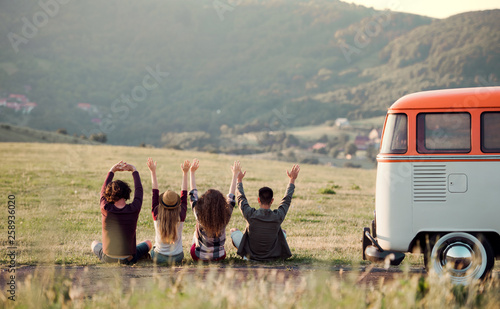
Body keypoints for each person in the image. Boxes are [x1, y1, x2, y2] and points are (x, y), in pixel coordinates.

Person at [230, 164, 300, 261]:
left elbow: (240, 198)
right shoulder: (278, 216)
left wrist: (239, 180)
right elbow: (287, 199)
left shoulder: (251, 214)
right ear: (272, 201)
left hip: (251, 255)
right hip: (272, 256)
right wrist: (292, 179)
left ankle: (246, 256)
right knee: (283, 232)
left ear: (259, 200)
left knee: (234, 231)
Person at [91, 160, 152, 264]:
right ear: (127, 192)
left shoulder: (105, 208)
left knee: (94, 244)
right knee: (148, 243)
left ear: (108, 193)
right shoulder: (134, 208)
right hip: (129, 258)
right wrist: (134, 171)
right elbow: (139, 191)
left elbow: (102, 191)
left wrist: (112, 171)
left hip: (108, 258)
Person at [189, 159, 240, 261]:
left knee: (195, 233)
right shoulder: (226, 215)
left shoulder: (199, 214)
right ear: (222, 204)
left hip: (199, 257)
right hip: (219, 257)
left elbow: (193, 195)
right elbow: (231, 197)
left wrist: (192, 173)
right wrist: (235, 175)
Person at [147, 157, 189, 264]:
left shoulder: (156, 213)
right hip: (177, 257)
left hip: (159, 257)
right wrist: (185, 173)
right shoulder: (181, 214)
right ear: (177, 203)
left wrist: (153, 172)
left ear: (161, 203)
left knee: (148, 246)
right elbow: (184, 195)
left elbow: (155, 193)